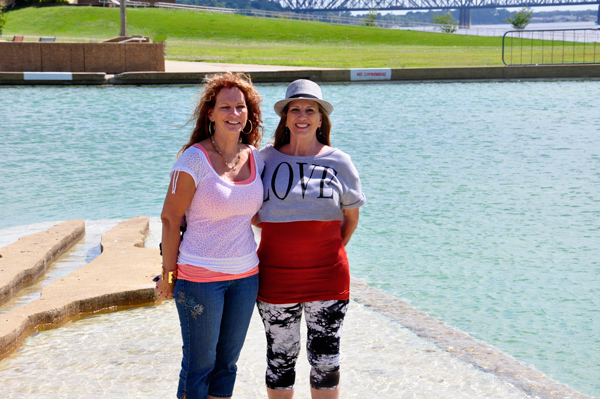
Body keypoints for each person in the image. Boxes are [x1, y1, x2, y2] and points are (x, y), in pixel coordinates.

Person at [155, 72, 264, 399]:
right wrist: (169, 275)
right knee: (199, 364)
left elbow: (257, 215)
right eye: (226, 107)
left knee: (227, 365)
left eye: (240, 107)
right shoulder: (193, 160)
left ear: (248, 113)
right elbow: (170, 219)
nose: (234, 113)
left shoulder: (256, 157)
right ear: (211, 114)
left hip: (246, 277)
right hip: (199, 279)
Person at [255, 79, 366, 399]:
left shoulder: (339, 162)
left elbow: (351, 218)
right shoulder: (264, 160)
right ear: (286, 118)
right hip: (275, 278)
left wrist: (326, 250)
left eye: (310, 110)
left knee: (326, 362)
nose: (302, 115)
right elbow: (245, 207)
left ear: (320, 118)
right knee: (280, 359)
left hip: (328, 278)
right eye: (295, 110)